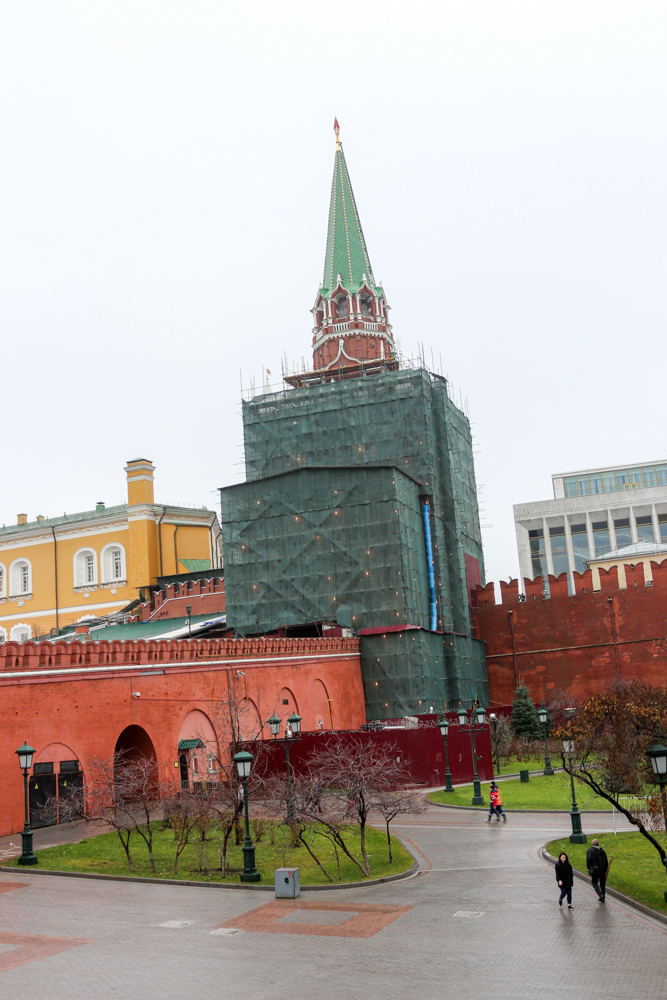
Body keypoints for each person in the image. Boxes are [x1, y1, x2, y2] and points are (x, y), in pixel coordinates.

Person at [586, 838, 609, 902]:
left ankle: (600, 894)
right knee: (602, 883)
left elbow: (588, 861)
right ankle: (603, 897)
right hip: (602, 870)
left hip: (595, 870)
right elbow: (606, 861)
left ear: (592, 843)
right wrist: (606, 869)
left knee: (594, 882)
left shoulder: (590, 850)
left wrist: (589, 868)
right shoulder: (602, 851)